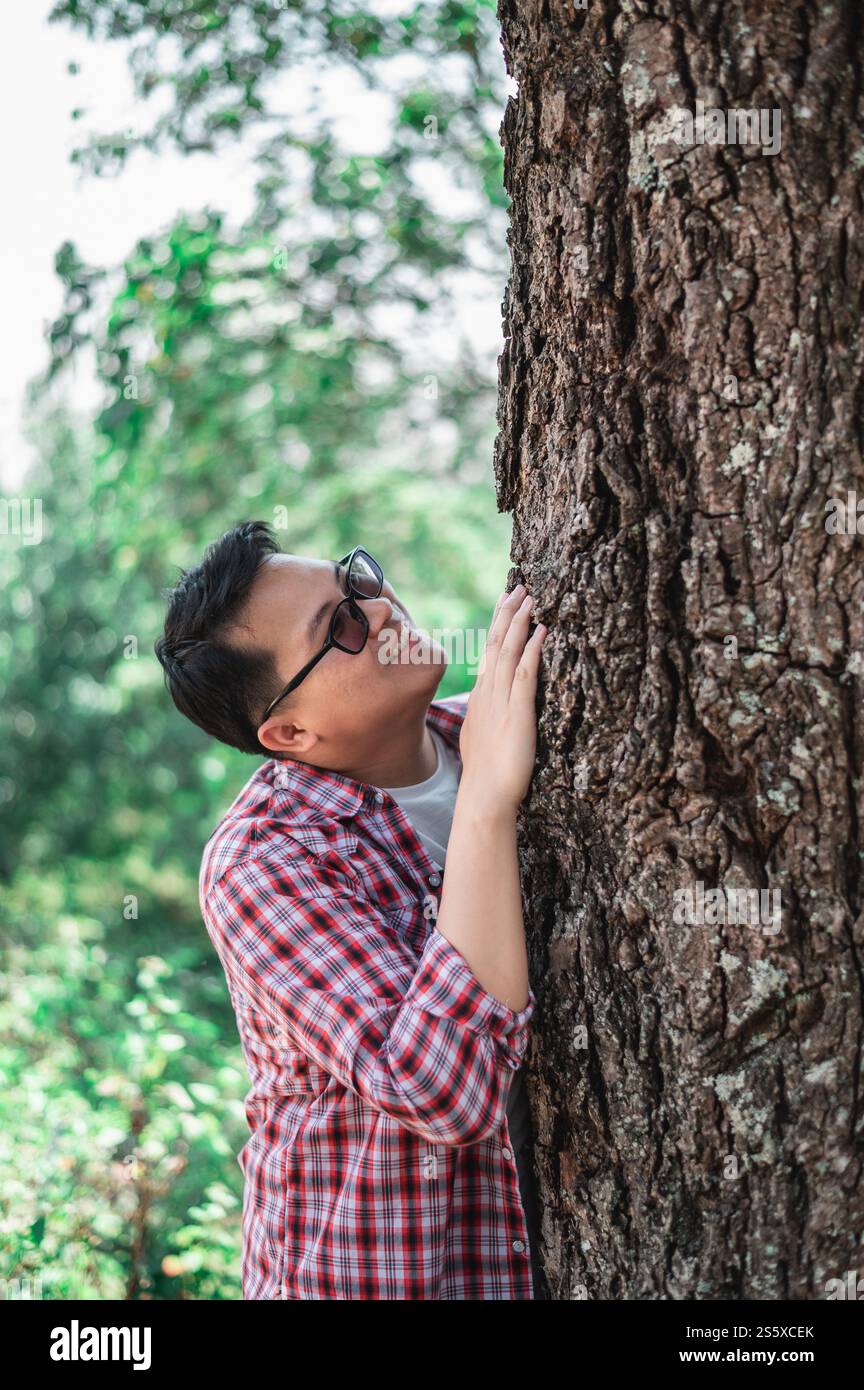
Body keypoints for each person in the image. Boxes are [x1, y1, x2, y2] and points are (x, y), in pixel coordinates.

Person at [155, 521, 549, 1299]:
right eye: (338, 627)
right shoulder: (265, 863)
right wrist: (485, 808)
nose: (379, 611)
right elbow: (442, 1092)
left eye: (355, 584)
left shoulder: (499, 732)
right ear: (290, 732)